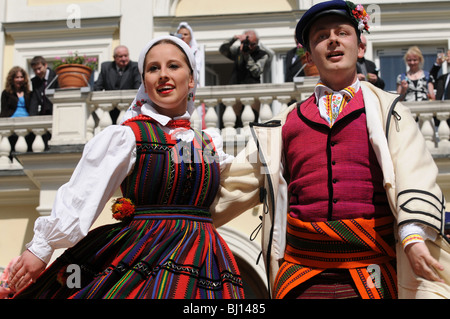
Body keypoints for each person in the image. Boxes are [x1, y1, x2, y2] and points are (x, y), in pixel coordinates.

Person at [211, 0, 450, 299]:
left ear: (360, 48)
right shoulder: (284, 123)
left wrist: (413, 236)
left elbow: (415, 174)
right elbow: (235, 183)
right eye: (322, 36)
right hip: (300, 274)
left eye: (342, 32)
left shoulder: (390, 111)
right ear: (309, 56)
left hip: (372, 270)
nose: (333, 39)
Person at [8, 35, 244, 299]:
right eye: (153, 68)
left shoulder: (207, 142)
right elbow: (84, 192)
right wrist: (42, 247)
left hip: (202, 256)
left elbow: (243, 179)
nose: (163, 75)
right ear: (144, 81)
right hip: (145, 253)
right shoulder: (127, 137)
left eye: (173, 66)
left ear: (191, 80)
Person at [94, 45, 141, 123]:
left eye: (126, 56)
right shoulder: (106, 67)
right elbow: (98, 86)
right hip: (111, 111)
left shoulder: (135, 67)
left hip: (130, 110)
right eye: (120, 56)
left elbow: (138, 86)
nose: (123, 59)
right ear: (114, 57)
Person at [1, 66, 35, 154]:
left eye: (21, 77)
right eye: (17, 77)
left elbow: (33, 109)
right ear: (12, 79)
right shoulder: (6, 93)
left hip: (27, 124)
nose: (19, 79)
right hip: (12, 125)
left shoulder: (29, 93)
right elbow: (4, 111)